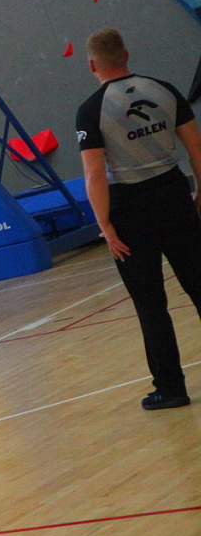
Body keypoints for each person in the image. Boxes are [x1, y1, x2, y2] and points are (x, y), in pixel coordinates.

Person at [76, 28, 201, 410]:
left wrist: (105, 225)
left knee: (150, 305)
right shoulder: (164, 90)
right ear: (126, 55)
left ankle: (171, 389)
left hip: (129, 212)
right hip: (174, 196)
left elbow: (95, 175)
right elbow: (196, 149)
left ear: (92, 65)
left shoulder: (91, 110)